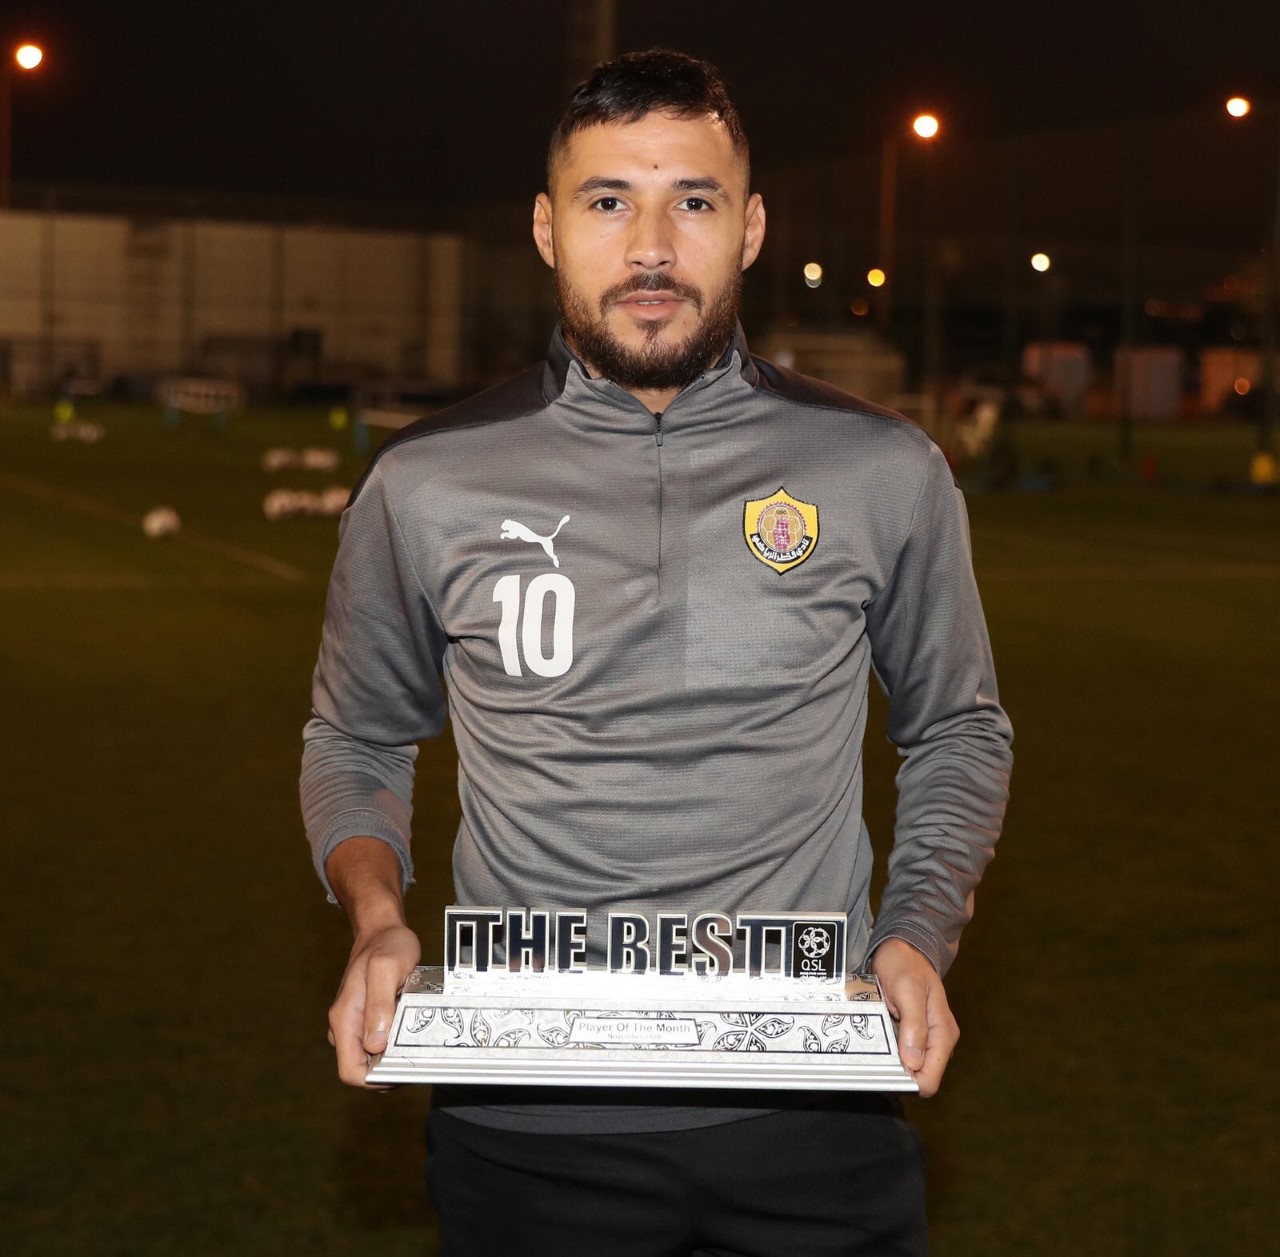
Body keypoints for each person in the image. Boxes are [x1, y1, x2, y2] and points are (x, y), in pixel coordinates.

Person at [301, 49, 1012, 1256]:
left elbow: (955, 727)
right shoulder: (426, 481)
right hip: (526, 1116)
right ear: (546, 229)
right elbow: (357, 734)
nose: (649, 247)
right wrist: (376, 918)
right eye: (605, 201)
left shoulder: (879, 469)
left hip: (814, 1104)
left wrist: (914, 933)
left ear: (750, 229)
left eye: (691, 200)